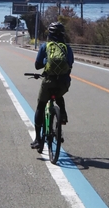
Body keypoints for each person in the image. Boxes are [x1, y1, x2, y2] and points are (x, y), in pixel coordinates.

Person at [30, 21, 74, 151]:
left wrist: (46, 61)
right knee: (59, 95)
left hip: (49, 81)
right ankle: (63, 114)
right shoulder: (67, 48)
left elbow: (37, 65)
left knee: (41, 105)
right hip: (64, 82)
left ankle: (38, 139)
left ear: (50, 34)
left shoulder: (45, 46)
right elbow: (70, 65)